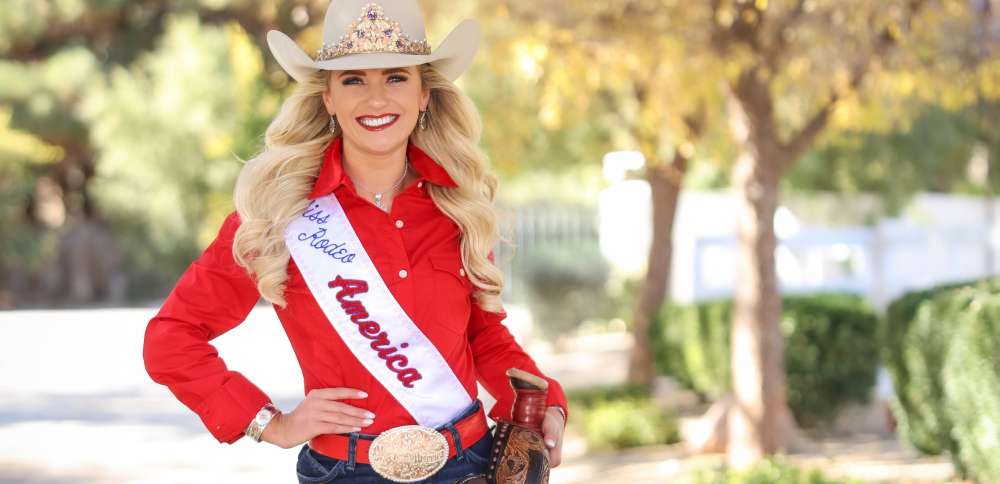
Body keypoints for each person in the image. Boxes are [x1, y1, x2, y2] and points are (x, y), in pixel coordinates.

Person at [142, 1, 568, 482]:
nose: (376, 98)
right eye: (353, 80)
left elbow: (485, 338)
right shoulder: (277, 215)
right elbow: (171, 339)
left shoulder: (457, 207)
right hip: (344, 472)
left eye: (395, 77)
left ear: (424, 93)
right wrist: (268, 423)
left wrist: (547, 404)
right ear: (327, 97)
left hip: (466, 465)